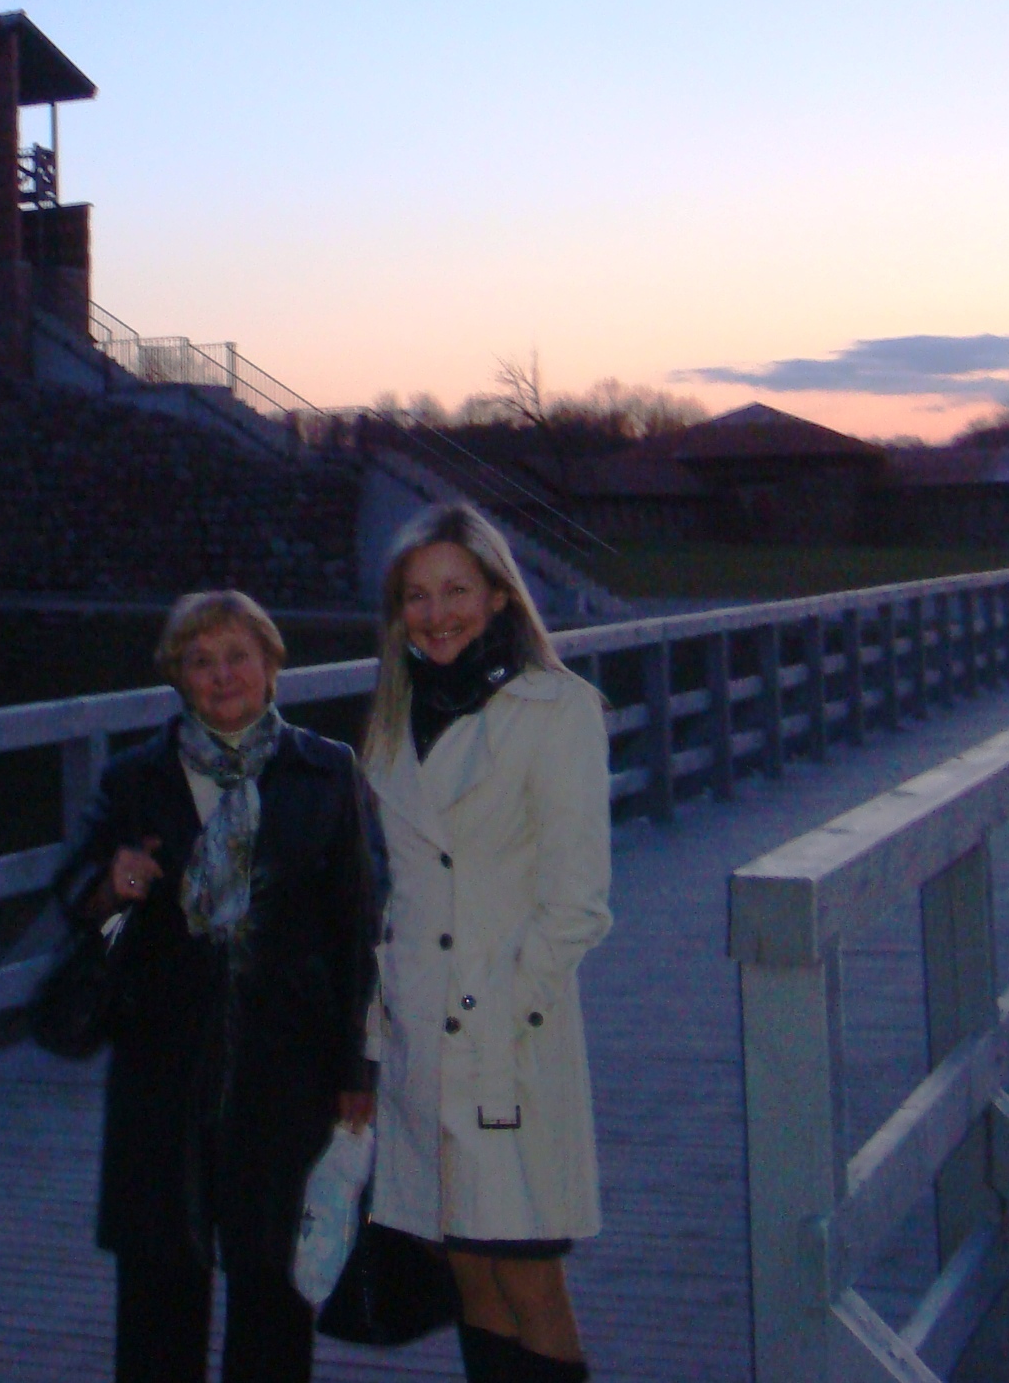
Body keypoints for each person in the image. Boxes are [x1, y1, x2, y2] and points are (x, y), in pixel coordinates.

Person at [52, 589, 381, 1383]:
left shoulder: (327, 772)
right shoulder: (137, 777)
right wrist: (109, 887)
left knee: (273, 1303)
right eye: (201, 661)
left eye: (239, 656)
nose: (223, 674)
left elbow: (361, 932)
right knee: (158, 1303)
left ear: (271, 666)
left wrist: (356, 1071)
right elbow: (77, 905)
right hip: (164, 1075)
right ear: (178, 677)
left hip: (288, 1072)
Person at [360, 505, 613, 1383]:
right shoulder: (394, 715)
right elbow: (399, 890)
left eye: (456, 591)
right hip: (419, 1039)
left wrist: (506, 1003)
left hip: (509, 1040)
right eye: (416, 597)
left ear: (500, 596)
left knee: (527, 1272)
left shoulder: (556, 709)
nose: (436, 614)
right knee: (466, 1265)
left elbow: (578, 904)